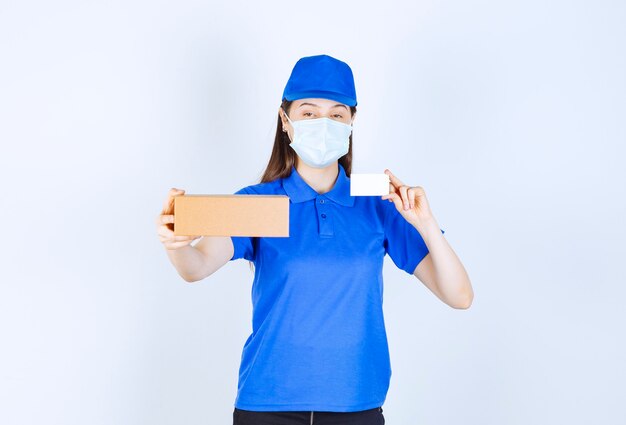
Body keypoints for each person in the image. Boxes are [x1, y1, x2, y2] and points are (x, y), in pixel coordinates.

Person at [156, 54, 473, 425]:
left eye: (337, 114)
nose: (324, 123)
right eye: (309, 113)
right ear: (286, 122)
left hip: (357, 406)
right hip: (267, 405)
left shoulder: (378, 205)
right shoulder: (258, 203)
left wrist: (428, 224)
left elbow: (460, 296)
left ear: (352, 122)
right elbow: (196, 267)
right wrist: (175, 245)